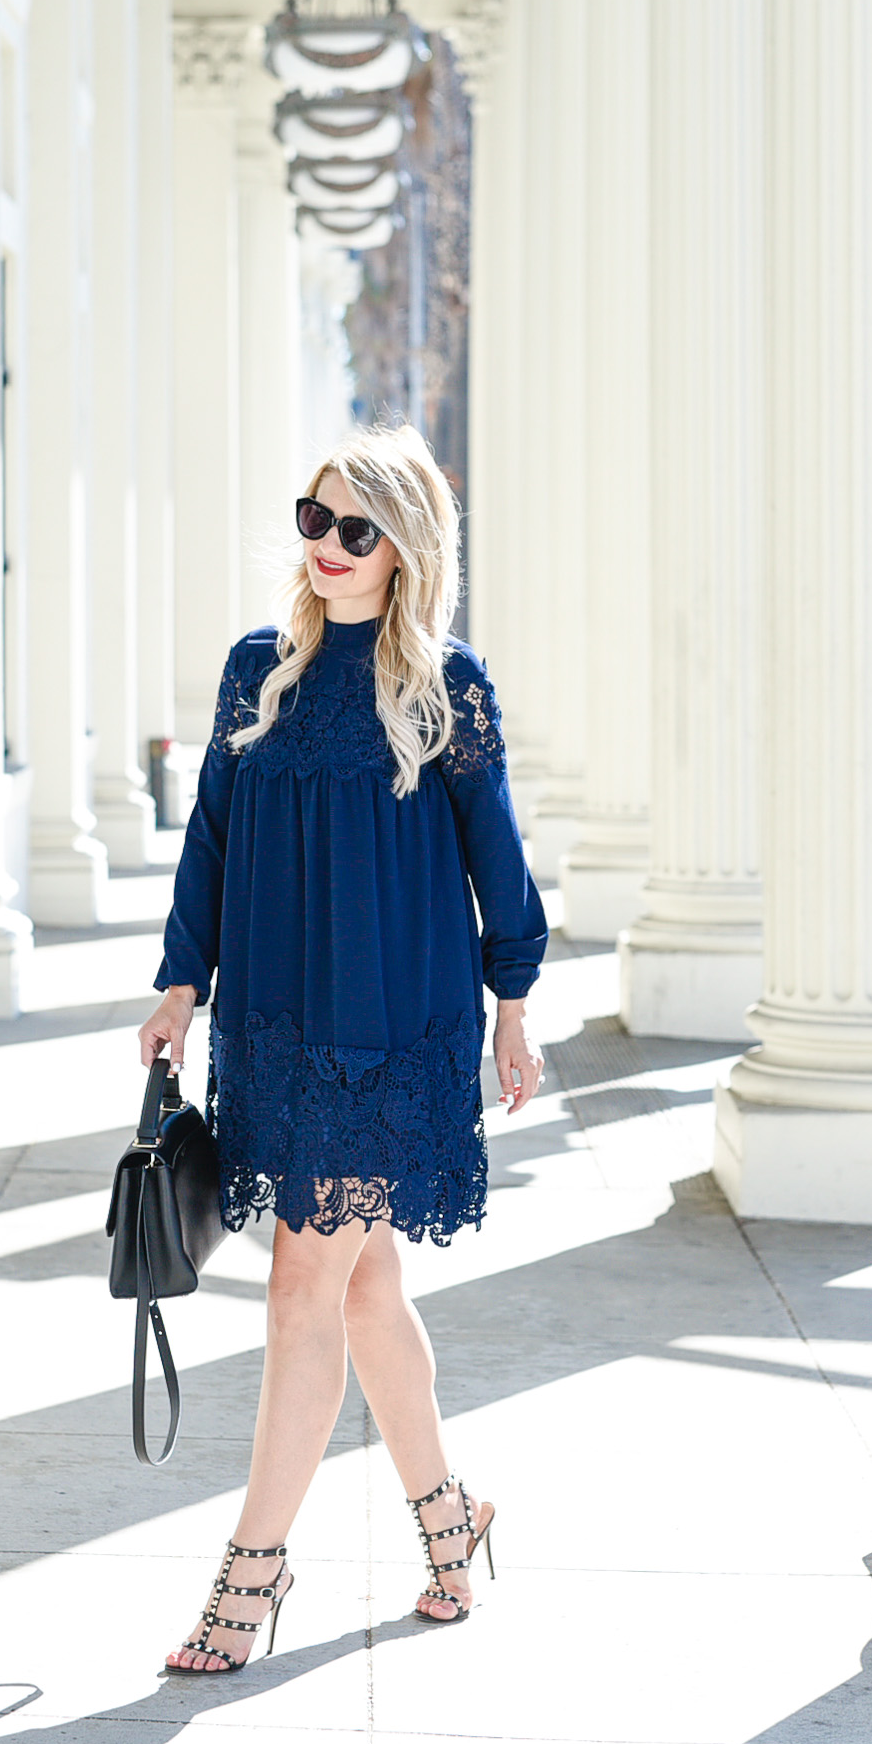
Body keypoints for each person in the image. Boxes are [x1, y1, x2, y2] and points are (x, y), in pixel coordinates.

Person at [139, 425, 549, 1674]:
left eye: (354, 529)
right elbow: (210, 831)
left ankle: (250, 1575)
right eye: (312, 519)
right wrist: (178, 980)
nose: (325, 546)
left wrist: (511, 1000)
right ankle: (450, 1521)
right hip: (275, 1024)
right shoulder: (252, 671)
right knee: (364, 1288)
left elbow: (495, 852)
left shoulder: (444, 685)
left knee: (298, 1289)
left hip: (389, 1036)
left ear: (405, 548)